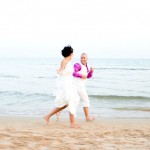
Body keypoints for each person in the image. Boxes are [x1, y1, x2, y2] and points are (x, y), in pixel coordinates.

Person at [44, 46, 80, 128]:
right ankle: (72, 123)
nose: (73, 54)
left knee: (66, 104)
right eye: (72, 52)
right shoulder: (64, 61)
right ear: (70, 53)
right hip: (65, 85)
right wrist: (59, 72)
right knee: (71, 101)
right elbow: (61, 70)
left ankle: (47, 116)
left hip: (70, 84)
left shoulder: (68, 61)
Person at [73, 53, 95, 121]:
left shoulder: (87, 66)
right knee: (86, 100)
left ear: (87, 59)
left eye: (84, 58)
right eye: (81, 58)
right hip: (77, 86)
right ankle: (87, 117)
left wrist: (91, 71)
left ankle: (58, 111)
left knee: (72, 101)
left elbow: (88, 76)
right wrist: (81, 75)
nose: (82, 59)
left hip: (81, 86)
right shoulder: (78, 65)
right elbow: (73, 73)